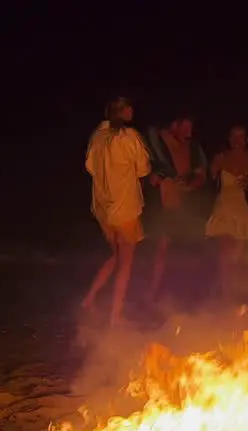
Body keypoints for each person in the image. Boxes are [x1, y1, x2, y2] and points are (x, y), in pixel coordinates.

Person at [82, 96, 152, 327]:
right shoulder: (128, 137)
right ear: (123, 111)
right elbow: (143, 168)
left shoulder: (98, 136)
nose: (133, 109)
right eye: (129, 106)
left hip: (103, 208)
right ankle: (115, 316)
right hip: (124, 208)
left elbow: (90, 167)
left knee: (115, 255)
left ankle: (89, 300)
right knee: (126, 262)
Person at [144, 110, 207, 303]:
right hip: (163, 206)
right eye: (185, 127)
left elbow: (200, 174)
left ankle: (186, 294)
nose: (189, 132)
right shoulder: (156, 142)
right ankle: (152, 293)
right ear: (174, 126)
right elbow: (144, 169)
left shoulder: (193, 146)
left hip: (187, 207)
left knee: (190, 250)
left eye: (191, 127)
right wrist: (151, 178)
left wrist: (189, 185)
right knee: (161, 250)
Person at [206, 124, 248, 300]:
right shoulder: (220, 158)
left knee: (237, 258)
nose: (237, 141)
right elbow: (208, 186)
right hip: (224, 208)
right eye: (233, 136)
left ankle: (236, 295)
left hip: (243, 209)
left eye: (241, 136)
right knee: (225, 257)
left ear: (247, 139)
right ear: (228, 139)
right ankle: (225, 296)